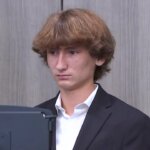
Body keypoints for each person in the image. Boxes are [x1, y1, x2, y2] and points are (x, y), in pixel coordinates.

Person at [32, 8, 150, 150]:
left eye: (72, 52)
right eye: (53, 52)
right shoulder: (32, 119)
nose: (60, 65)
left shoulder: (132, 124)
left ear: (99, 56)